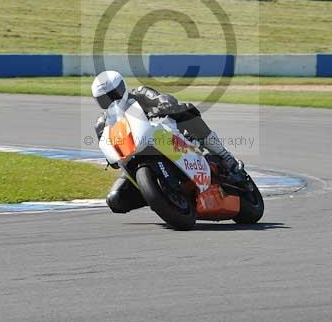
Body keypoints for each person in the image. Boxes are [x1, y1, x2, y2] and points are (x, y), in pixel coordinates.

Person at [91, 70, 244, 214]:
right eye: (105, 99)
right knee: (115, 199)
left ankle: (225, 157)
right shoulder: (102, 124)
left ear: (122, 88)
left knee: (185, 113)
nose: (111, 100)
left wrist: (164, 102)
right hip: (133, 159)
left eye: (114, 94)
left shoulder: (140, 94)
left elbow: (158, 98)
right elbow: (109, 152)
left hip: (162, 137)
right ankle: (160, 196)